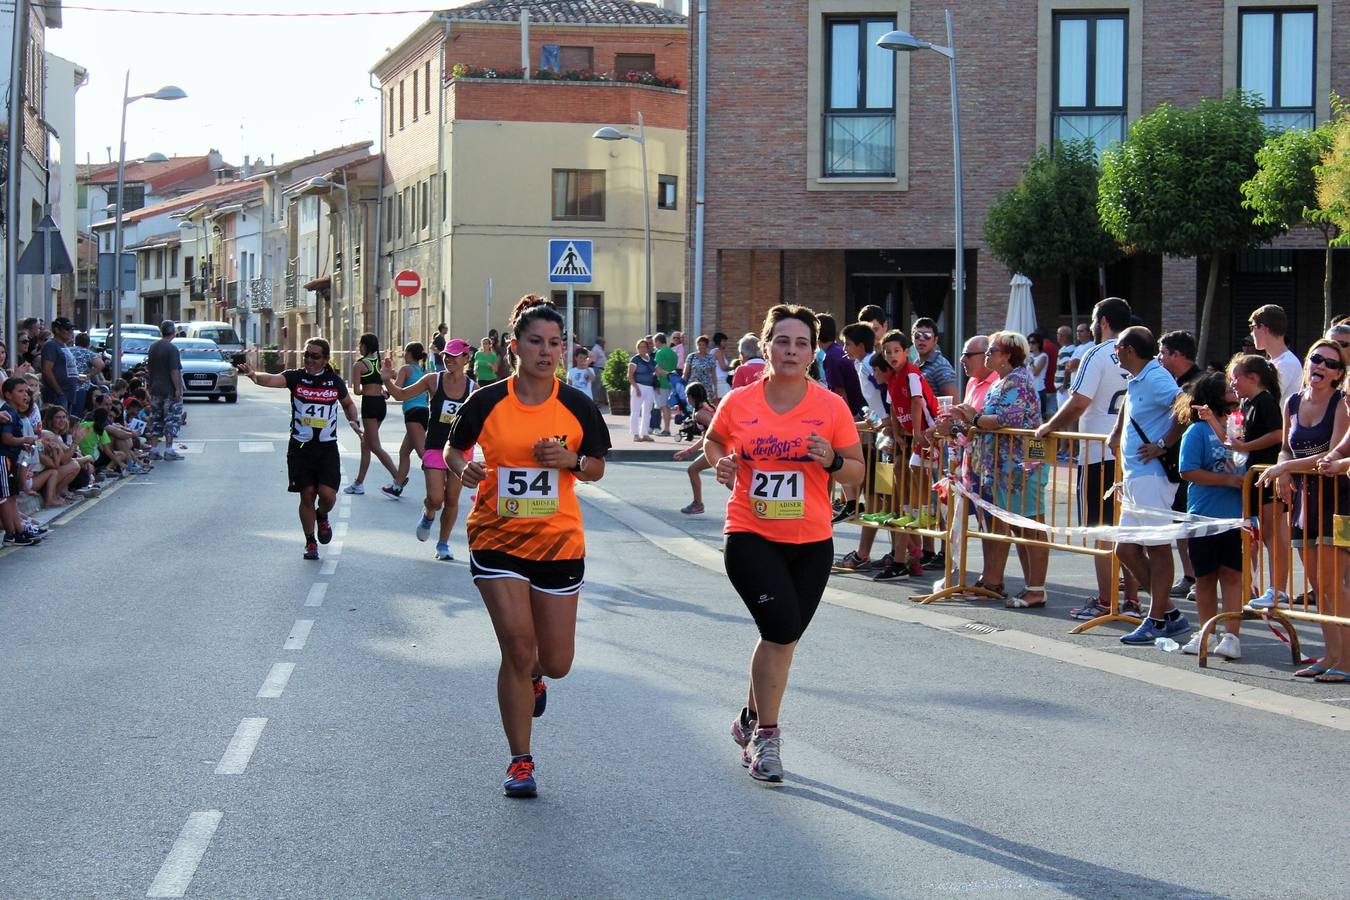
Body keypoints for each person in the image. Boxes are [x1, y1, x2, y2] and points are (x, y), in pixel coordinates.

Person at [446, 295, 611, 798]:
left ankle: (538, 675)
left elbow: (598, 465)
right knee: (517, 647)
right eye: (535, 342)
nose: (546, 351)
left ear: (565, 349)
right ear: (514, 347)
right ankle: (520, 761)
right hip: (496, 537)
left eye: (555, 343)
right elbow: (453, 451)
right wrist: (464, 467)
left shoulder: (578, 405)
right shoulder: (487, 400)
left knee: (555, 661)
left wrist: (571, 461)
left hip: (559, 542)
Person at [702, 303, 864, 784]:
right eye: (782, 342)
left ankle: (750, 717)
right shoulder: (741, 401)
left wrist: (833, 459)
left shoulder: (830, 406)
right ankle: (766, 740)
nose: (791, 351)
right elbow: (713, 442)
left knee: (783, 636)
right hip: (750, 532)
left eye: (801, 344)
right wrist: (721, 464)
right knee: (779, 629)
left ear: (813, 353)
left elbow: (856, 474)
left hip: (811, 540)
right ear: (766, 346)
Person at [1037, 297, 1133, 620]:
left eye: (1094, 320)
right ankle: (1130, 599)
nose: (1091, 327)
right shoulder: (1140, 351)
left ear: (1103, 321)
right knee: (1127, 530)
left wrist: (1050, 425)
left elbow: (1079, 401)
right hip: (1130, 454)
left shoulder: (1097, 353)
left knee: (1100, 530)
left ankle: (1108, 599)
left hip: (1099, 453)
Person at [1260, 340, 1350, 682]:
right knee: (1316, 583)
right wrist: (1284, 468)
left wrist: (1286, 469)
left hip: (1338, 501)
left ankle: (1347, 659)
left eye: (1330, 364)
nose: (1320, 367)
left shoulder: (1341, 404)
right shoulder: (1292, 402)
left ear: (1338, 375)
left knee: (1336, 582)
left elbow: (1331, 453)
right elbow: (1284, 449)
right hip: (1304, 503)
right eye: (1316, 359)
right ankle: (1331, 653)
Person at [948, 331, 1049, 606]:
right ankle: (1030, 587)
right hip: (1004, 469)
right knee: (1018, 528)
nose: (988, 355)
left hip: (1021, 468)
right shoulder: (1003, 382)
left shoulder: (1017, 381)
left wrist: (974, 417)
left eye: (992, 350)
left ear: (1007, 355)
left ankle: (1036, 588)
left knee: (1030, 527)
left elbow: (1006, 419)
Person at [237, 339, 363, 559]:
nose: (309, 360)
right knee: (307, 493)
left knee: (328, 495)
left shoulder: (333, 382)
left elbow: (348, 404)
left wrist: (354, 421)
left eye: (315, 356)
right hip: (300, 447)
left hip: (326, 448)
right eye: (307, 355)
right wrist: (255, 376)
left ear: (325, 359)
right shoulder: (296, 377)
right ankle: (310, 541)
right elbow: (273, 380)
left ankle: (322, 515)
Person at [1111, 326, 1191, 646]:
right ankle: (1167, 613)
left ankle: (1156, 619)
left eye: (1117, 347)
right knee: (1126, 549)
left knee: (1157, 547)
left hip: (1152, 476)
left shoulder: (1156, 377)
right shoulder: (1139, 378)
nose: (1115, 352)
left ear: (1130, 349)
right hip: (1135, 475)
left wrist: (1162, 444)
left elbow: (1184, 407)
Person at [381, 338, 476, 561]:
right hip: (434, 446)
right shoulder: (433, 380)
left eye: (454, 356)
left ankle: (443, 544)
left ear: (465, 358)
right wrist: (387, 381)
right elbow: (401, 395)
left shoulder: (474, 388)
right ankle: (429, 514)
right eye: (446, 355)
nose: (449, 359)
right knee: (436, 498)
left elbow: (485, 419)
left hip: (461, 451)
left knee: (452, 499)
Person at [1177, 374, 1246, 659]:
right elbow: (1187, 470)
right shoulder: (1196, 431)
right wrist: (1225, 480)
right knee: (1204, 578)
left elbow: (1244, 457)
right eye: (1228, 389)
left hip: (1234, 518)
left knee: (1232, 575)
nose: (1234, 392)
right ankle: (1206, 631)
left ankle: (1232, 636)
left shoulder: (1238, 426)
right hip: (1203, 515)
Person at [1222, 355, 1288, 609]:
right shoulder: (1247, 404)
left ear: (1253, 377)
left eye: (1236, 377)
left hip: (1267, 475)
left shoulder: (1266, 401)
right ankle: (1250, 585)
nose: (1233, 383)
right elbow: (1236, 441)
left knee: (1271, 534)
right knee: (1253, 535)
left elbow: (1277, 434)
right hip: (1252, 476)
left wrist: (1247, 446)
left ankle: (1278, 589)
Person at [1157, 330, 1205, 601]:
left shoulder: (1198, 383)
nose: (1160, 358)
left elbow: (1183, 421)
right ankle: (1189, 576)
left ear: (1177, 354)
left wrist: (1161, 444)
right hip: (1176, 464)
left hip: (1195, 465)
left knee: (1194, 521)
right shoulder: (1171, 381)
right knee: (1180, 521)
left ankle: (1200, 577)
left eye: (1163, 352)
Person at [345, 333, 401, 495]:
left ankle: (398, 478)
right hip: (381, 404)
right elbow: (393, 376)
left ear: (365, 346)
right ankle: (358, 483)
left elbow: (356, 390)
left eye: (360, 344)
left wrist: (367, 388)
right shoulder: (381, 363)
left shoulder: (360, 365)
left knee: (374, 446)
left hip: (369, 404)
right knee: (366, 445)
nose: (359, 347)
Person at [381, 342, 429, 500]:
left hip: (412, 413)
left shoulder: (405, 369)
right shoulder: (423, 370)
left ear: (409, 354)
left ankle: (442, 484)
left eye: (405, 353)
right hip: (424, 411)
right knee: (404, 451)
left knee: (424, 454)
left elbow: (396, 390)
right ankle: (397, 486)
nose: (403, 355)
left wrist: (385, 389)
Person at [673, 381, 715, 514]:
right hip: (718, 446)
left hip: (717, 448)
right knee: (693, 470)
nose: (687, 399)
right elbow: (706, 437)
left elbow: (716, 431)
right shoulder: (710, 408)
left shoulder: (700, 414)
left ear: (691, 397)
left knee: (693, 470)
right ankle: (697, 503)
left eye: (687, 396)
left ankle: (698, 504)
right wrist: (688, 451)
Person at [145, 320, 184, 462]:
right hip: (169, 390)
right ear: (173, 332)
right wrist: (178, 389)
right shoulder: (172, 349)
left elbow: (149, 369)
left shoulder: (153, 347)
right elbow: (174, 370)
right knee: (171, 419)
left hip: (155, 388)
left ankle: (154, 449)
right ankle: (169, 450)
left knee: (156, 418)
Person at [1250, 304, 1303, 406]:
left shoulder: (1287, 362)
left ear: (1264, 328)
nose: (1251, 333)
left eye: (1253, 327)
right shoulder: (1276, 361)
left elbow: (1264, 397)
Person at [817, 314, 864, 416]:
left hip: (855, 412)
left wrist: (844, 418)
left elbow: (839, 392)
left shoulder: (830, 358)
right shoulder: (838, 350)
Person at [912, 317, 959, 402]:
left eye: (927, 336)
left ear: (935, 340)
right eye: (917, 335)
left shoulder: (941, 366)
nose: (922, 339)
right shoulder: (915, 364)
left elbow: (953, 403)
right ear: (912, 338)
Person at [40, 317, 80, 412]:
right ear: (56, 330)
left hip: (68, 393)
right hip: (57, 395)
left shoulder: (64, 345)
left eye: (72, 329)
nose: (70, 332)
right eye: (67, 329)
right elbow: (47, 370)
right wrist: (59, 391)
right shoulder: (51, 345)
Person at [628, 337, 659, 442]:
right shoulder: (635, 359)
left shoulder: (651, 359)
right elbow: (630, 376)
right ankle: (635, 434)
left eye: (644, 347)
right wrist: (636, 388)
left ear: (647, 348)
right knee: (635, 411)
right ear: (637, 348)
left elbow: (658, 371)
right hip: (638, 386)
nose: (642, 349)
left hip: (649, 387)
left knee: (647, 411)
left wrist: (669, 373)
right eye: (640, 347)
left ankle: (644, 433)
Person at [652, 332, 679, 436]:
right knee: (667, 406)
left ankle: (666, 429)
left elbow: (657, 369)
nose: (654, 345)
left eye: (655, 342)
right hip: (672, 382)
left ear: (658, 342)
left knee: (664, 407)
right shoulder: (673, 352)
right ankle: (666, 428)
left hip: (662, 383)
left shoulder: (660, 352)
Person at [683, 334, 719, 400]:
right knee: (693, 405)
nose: (701, 347)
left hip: (706, 387)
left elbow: (714, 374)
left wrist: (715, 389)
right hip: (693, 386)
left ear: (707, 346)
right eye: (699, 344)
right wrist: (683, 386)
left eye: (703, 345)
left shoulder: (710, 358)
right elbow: (685, 374)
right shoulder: (691, 357)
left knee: (706, 406)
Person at [588, 337, 608, 406]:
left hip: (601, 369)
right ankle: (595, 401)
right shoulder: (596, 349)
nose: (605, 344)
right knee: (597, 386)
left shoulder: (600, 349)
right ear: (600, 342)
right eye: (604, 343)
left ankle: (603, 401)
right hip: (597, 369)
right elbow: (593, 361)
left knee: (602, 386)